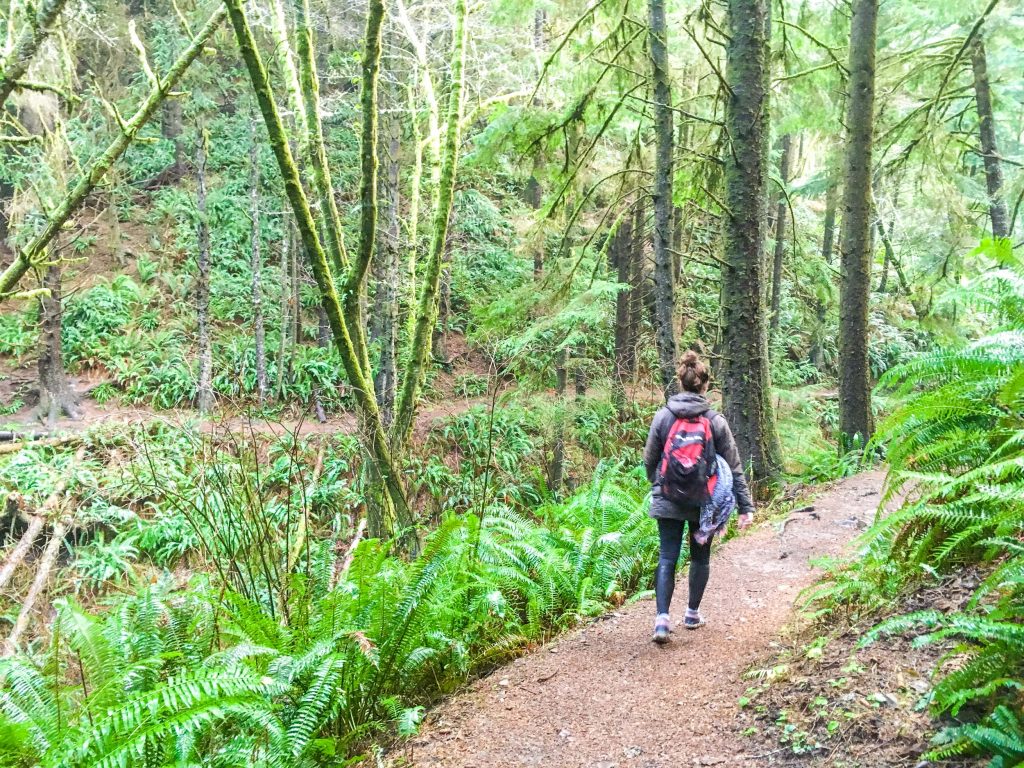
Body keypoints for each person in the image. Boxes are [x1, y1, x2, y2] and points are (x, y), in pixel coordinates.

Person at [643, 351, 755, 643]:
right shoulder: (715, 421)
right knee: (700, 557)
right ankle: (692, 614)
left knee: (667, 555)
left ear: (680, 381)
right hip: (704, 500)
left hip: (668, 497)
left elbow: (649, 459)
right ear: (705, 385)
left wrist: (660, 485)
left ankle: (662, 621)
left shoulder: (664, 416)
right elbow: (734, 466)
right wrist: (745, 507)